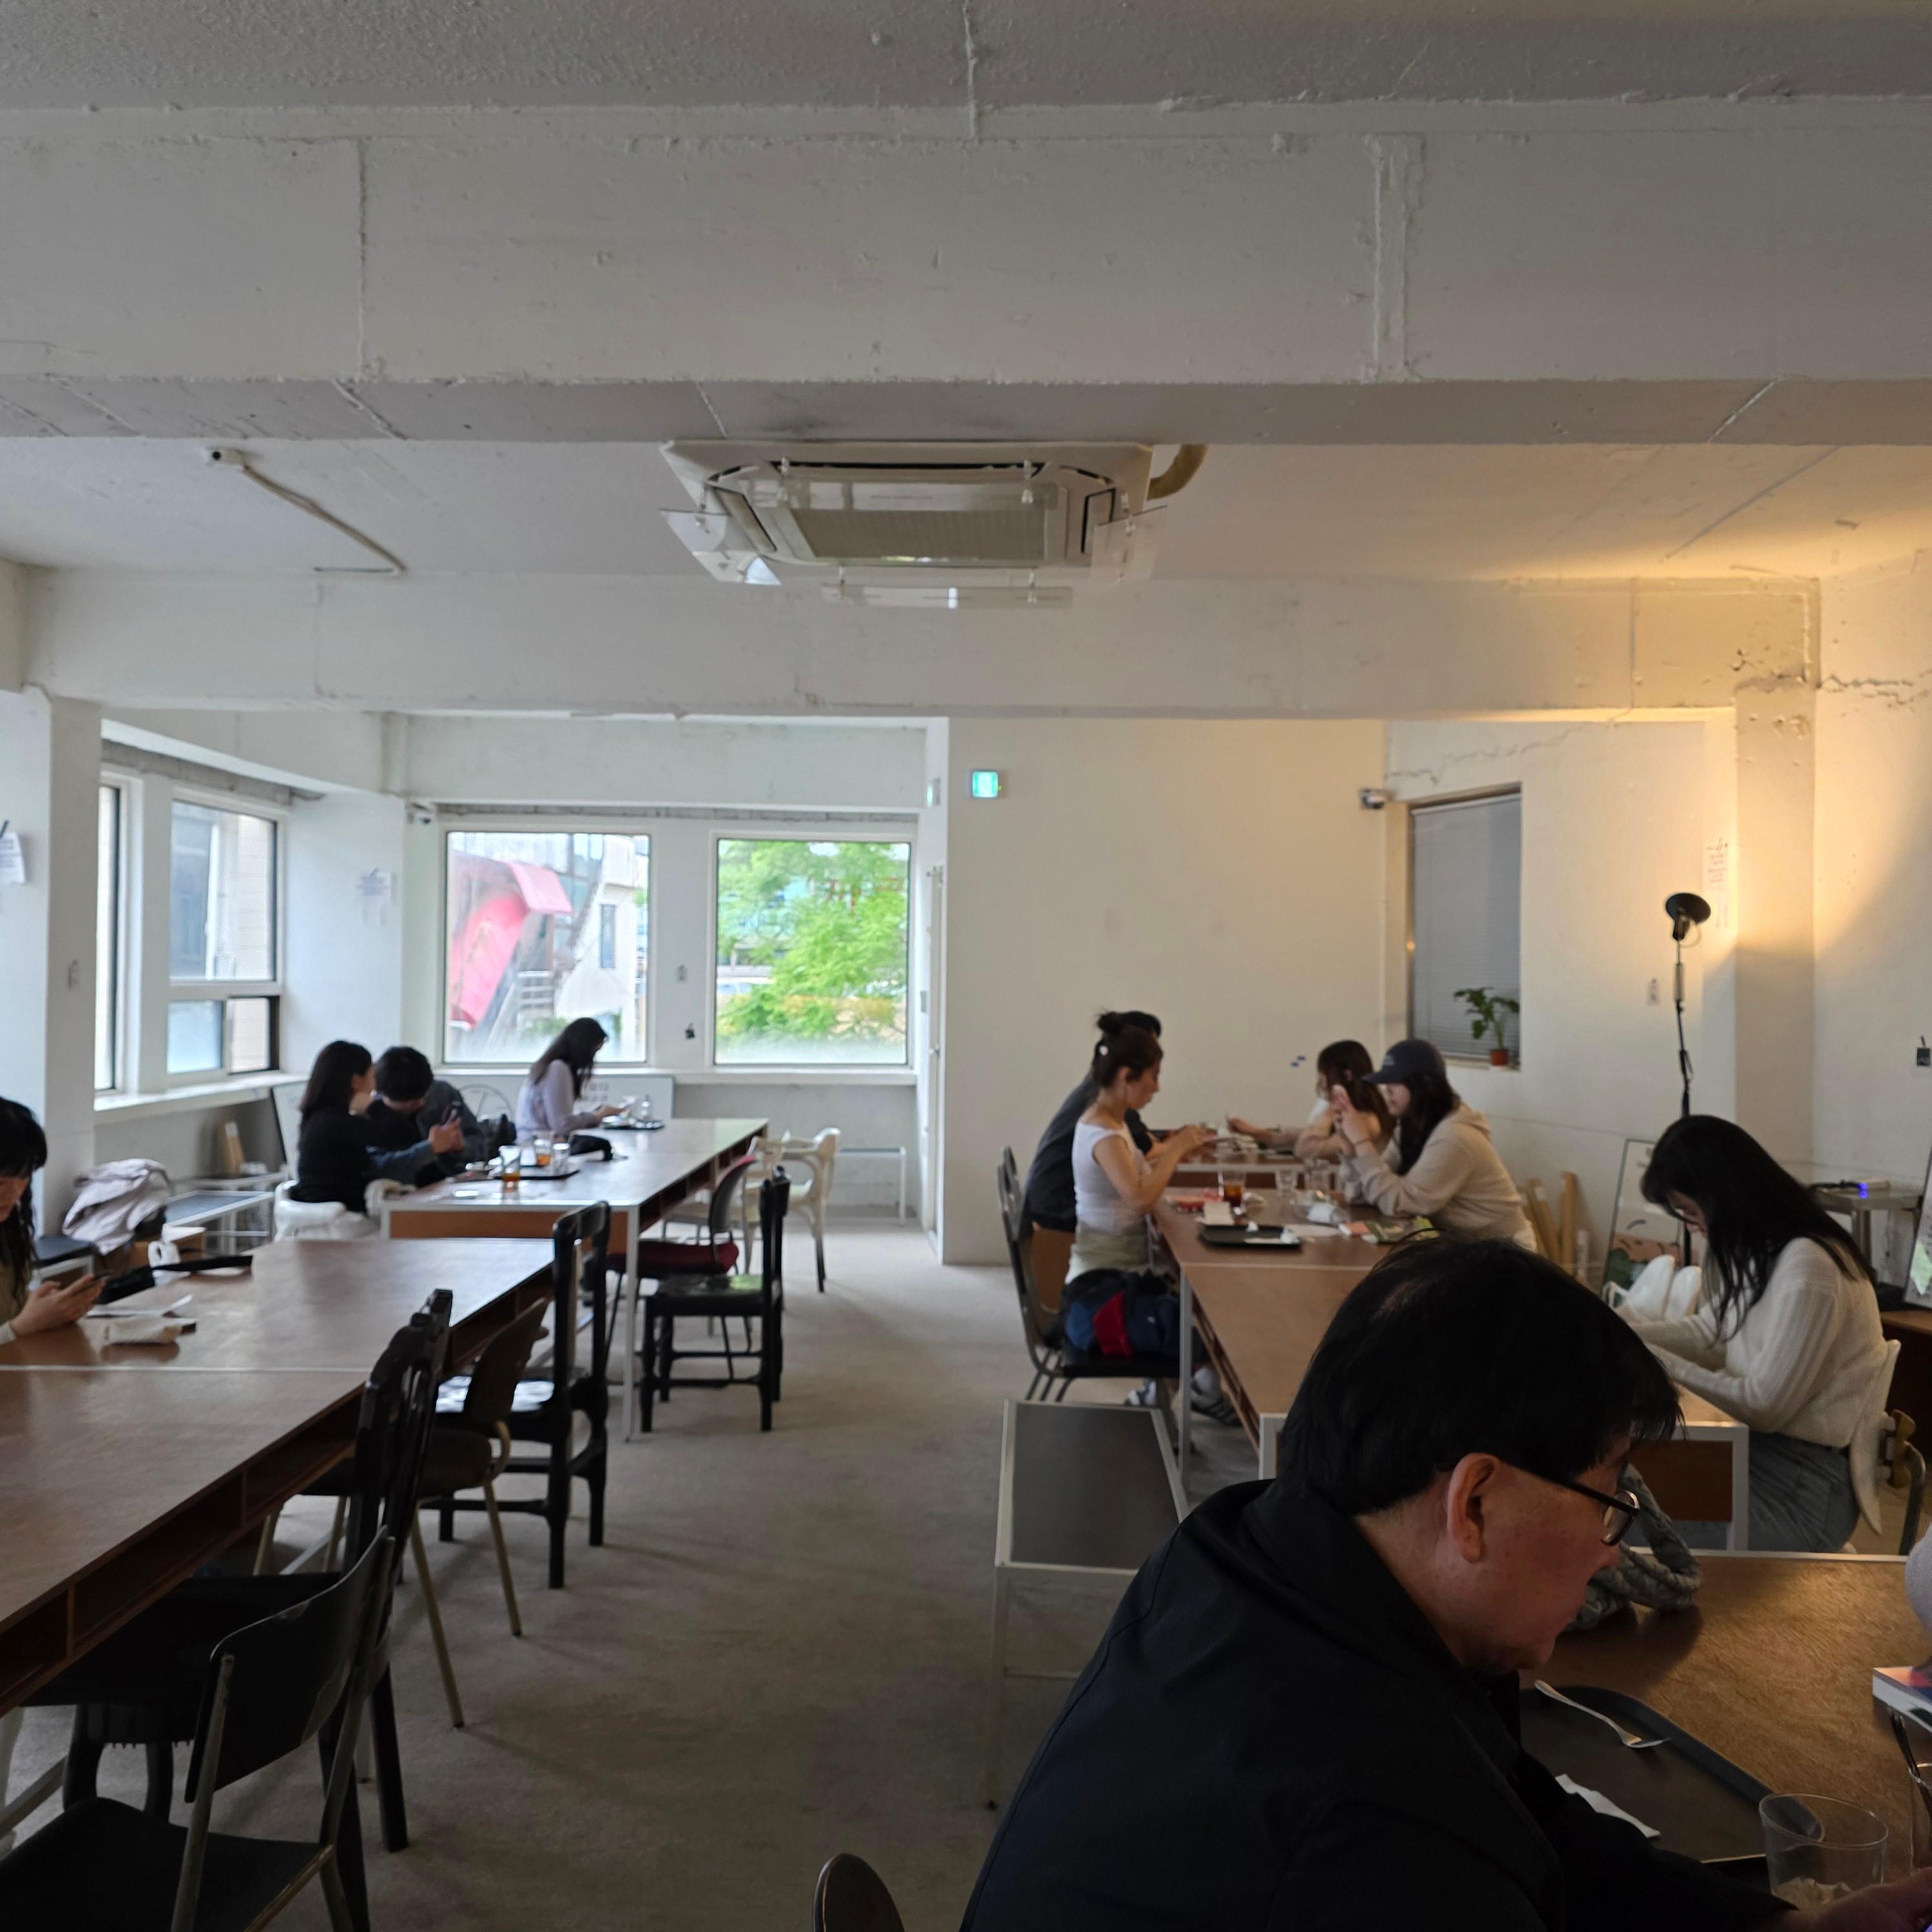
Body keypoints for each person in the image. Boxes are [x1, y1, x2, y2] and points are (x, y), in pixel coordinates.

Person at [961, 1238, 1932, 1932]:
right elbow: (1454, 1835)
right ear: (1472, 1503)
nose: (1611, 1552)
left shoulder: (1244, 1550)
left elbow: (1531, 1822)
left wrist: (1781, 1925)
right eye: (1607, 1500)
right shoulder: (1388, 1831)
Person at [1626, 1114, 1888, 1553]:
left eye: (1692, 1212)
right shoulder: (1758, 1249)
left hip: (1804, 1492)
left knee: (1614, 1529)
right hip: (1759, 1457)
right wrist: (1620, 1334)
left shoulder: (1811, 1268)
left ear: (1723, 1196)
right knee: (1611, 1495)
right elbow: (1712, 1332)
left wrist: (1649, 1359)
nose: (1692, 1226)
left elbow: (1762, 1406)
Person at [1329, 1036, 1536, 1246]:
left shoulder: (1454, 1137)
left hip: (1505, 1251)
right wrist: (1350, 1148)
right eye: (1385, 1082)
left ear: (1423, 1085)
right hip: (1468, 1247)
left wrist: (1362, 1142)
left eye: (1395, 1082)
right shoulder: (1412, 1128)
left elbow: (1400, 1203)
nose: (1386, 1090)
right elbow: (1367, 1196)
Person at [1025, 1011, 1163, 1235]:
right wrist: (1179, 1147)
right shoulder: (1104, 1116)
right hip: (1056, 1207)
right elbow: (1140, 1194)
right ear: (1127, 1074)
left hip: (1050, 1199)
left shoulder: (1102, 1098)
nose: (1156, 1087)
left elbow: (1145, 1142)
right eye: (1154, 1075)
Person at [288, 1040, 464, 1215]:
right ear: (356, 1081)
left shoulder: (321, 1118)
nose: (375, 1083)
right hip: (342, 1215)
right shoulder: (334, 1122)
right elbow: (400, 1133)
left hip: (337, 1209)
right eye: (372, 1075)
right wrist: (372, 1106)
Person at [0, 1098, 102, 1344]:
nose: (14, 1192)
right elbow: (15, 1324)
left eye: (24, 1176)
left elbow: (10, 1305)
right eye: (1, 1181)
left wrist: (52, 1307)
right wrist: (19, 1328)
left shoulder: (9, 1231)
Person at [1228, 1038, 1392, 1160]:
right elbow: (1305, 1136)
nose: (1321, 1084)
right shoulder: (1358, 1114)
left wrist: (1329, 1110)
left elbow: (1306, 1149)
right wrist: (1255, 1132)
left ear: (1347, 1075)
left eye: (1324, 1076)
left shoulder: (1364, 1122)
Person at [362, 1045, 491, 1180]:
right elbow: (376, 1167)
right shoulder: (369, 1113)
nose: (420, 1104)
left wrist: (461, 1147)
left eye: (422, 1097)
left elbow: (481, 1145)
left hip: (449, 1183)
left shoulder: (443, 1094)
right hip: (398, 1190)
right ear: (381, 1092)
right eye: (406, 1103)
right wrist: (429, 1149)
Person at [516, 1018, 620, 1138]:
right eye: (593, 1052)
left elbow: (560, 1119)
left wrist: (594, 1114)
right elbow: (562, 1125)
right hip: (540, 1144)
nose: (592, 1059)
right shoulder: (557, 1068)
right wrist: (599, 1115)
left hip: (535, 1141)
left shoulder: (551, 1066)